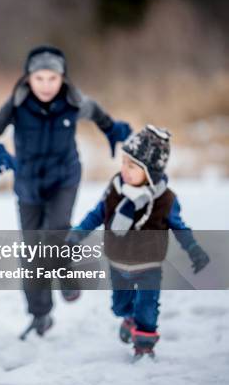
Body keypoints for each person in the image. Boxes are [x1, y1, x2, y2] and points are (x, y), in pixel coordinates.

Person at [0, 45, 132, 337]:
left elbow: (96, 111)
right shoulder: (17, 103)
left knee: (56, 231)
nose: (46, 85)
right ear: (28, 79)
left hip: (64, 177)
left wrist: (111, 129)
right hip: (28, 184)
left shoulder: (73, 102)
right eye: (40, 79)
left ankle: (66, 272)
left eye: (52, 78)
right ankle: (40, 314)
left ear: (63, 78)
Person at [67, 124, 210, 359]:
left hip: (149, 266)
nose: (125, 169)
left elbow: (180, 227)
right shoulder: (115, 189)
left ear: (150, 171)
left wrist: (193, 249)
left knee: (147, 309)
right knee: (119, 307)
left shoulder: (165, 199)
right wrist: (76, 235)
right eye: (123, 162)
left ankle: (144, 346)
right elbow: (96, 214)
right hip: (118, 264)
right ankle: (128, 318)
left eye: (132, 166)